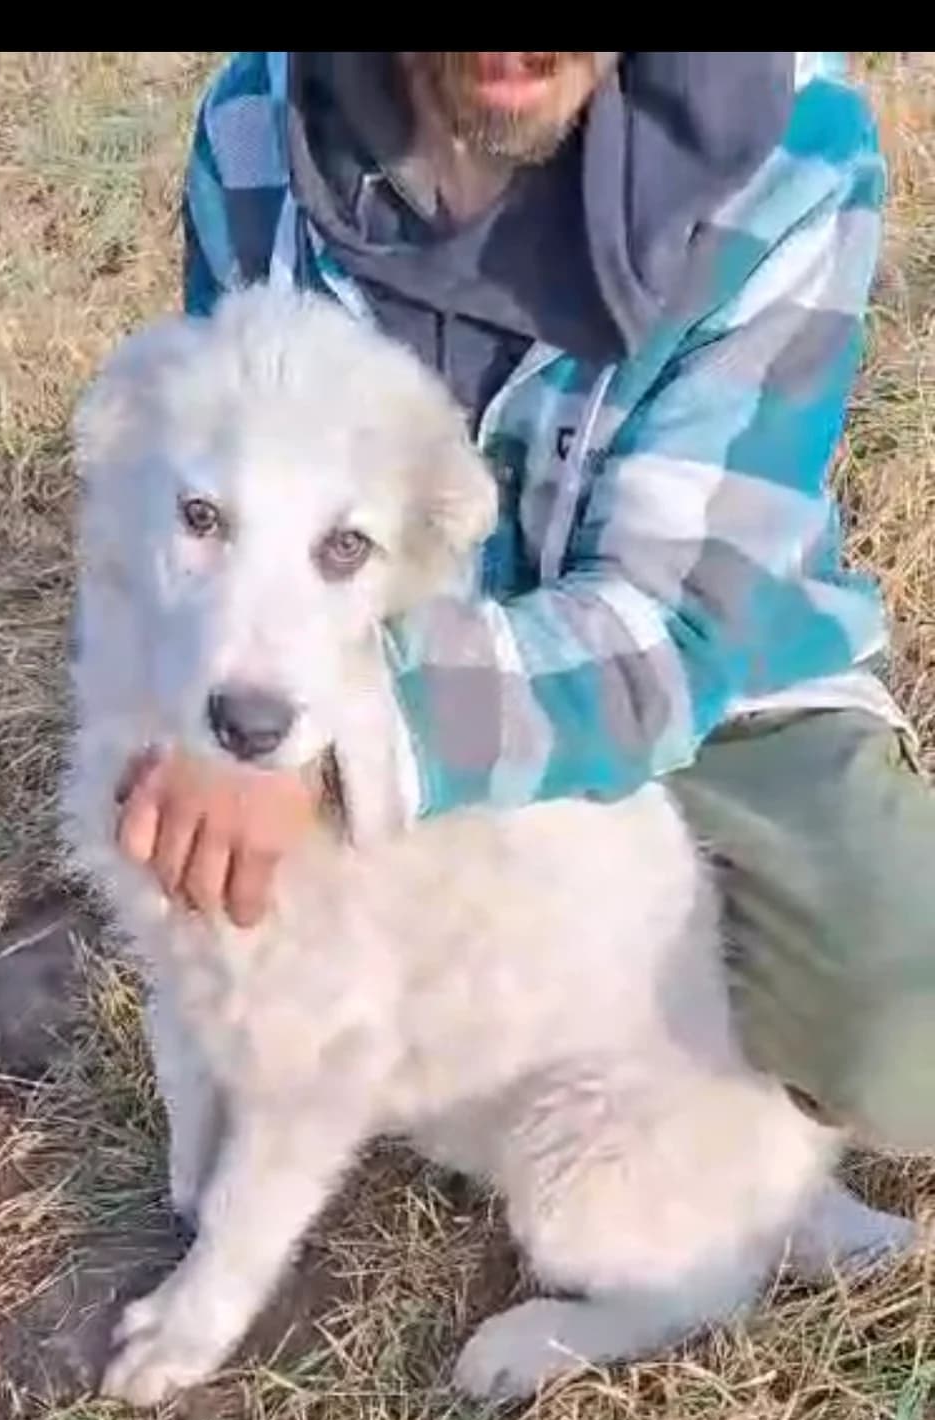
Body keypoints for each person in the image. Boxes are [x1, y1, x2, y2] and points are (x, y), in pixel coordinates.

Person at [115, 51, 935, 1153]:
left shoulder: (793, 147)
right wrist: (244, 703)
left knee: (908, 1046)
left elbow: (680, 625)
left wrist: (334, 735)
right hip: (361, 636)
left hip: (704, 687)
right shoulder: (262, 121)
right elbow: (225, 487)